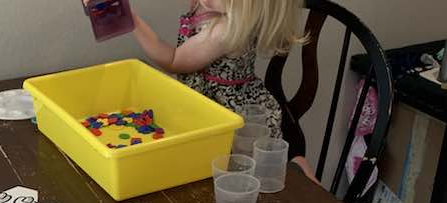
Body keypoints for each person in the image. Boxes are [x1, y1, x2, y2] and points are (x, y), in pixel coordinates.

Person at [86, 0, 318, 180]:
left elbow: (174, 60)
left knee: (234, 172)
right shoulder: (216, 7)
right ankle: (293, 165)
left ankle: (295, 168)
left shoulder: (225, 30)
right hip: (204, 103)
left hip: (226, 114)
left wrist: (130, 19)